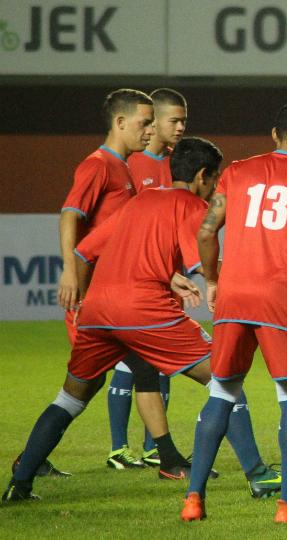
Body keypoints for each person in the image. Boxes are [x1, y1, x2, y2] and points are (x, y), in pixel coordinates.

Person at [2, 138, 280, 501]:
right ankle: (258, 475)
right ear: (202, 176)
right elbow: (203, 262)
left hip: (98, 312)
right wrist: (223, 278)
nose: (215, 188)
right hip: (144, 308)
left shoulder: (139, 201)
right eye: (215, 180)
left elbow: (84, 253)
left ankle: (19, 485)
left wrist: (88, 304)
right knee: (224, 376)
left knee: (71, 397)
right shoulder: (192, 206)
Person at [180, 101, 287, 523]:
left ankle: (193, 500)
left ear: (274, 134)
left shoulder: (236, 172)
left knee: (222, 391)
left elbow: (206, 230)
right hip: (278, 297)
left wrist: (212, 281)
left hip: (234, 294)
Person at [19, 89, 155, 477]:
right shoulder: (98, 165)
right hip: (90, 302)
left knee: (88, 388)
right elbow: (69, 215)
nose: (149, 131)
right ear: (120, 122)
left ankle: (28, 465)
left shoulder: (123, 167)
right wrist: (68, 270)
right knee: (94, 385)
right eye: (144, 123)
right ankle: (170, 458)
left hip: (107, 300)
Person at [105, 88, 189, 469]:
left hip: (168, 277)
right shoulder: (131, 166)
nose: (181, 127)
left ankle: (154, 447)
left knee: (160, 361)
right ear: (152, 122)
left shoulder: (177, 166)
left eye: (183, 120)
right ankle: (119, 447)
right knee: (132, 364)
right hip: (137, 281)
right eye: (175, 120)